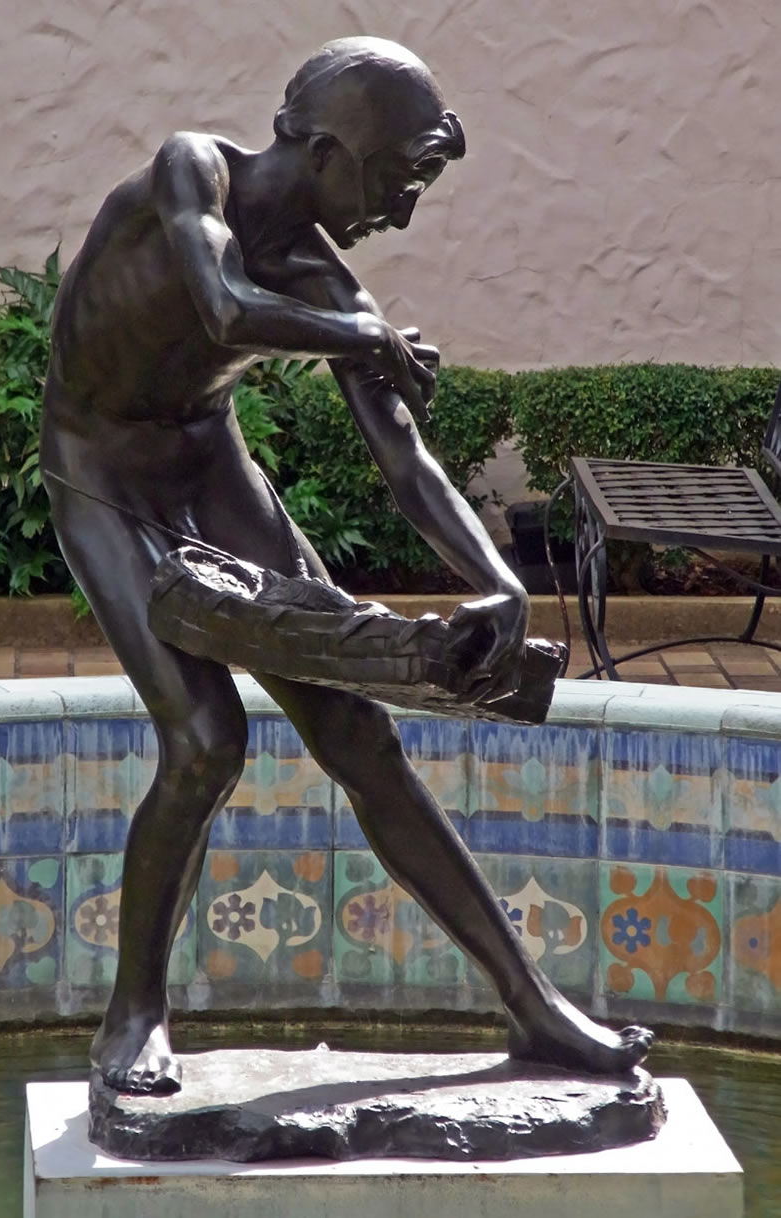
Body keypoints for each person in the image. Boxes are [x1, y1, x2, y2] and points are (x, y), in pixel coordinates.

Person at [41, 36, 652, 1095]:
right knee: (203, 741)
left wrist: (503, 582)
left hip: (212, 469)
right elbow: (224, 306)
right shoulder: (196, 169)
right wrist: (360, 340)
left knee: (360, 740)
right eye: (396, 183)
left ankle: (533, 1005)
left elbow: (408, 468)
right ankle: (134, 1015)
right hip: (101, 472)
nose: (401, 215)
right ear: (327, 148)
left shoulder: (331, 289)